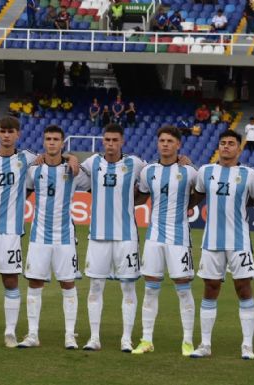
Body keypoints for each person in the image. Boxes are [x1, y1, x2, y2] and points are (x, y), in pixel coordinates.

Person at [0, 117, 69, 347]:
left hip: (11, 232)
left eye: (11, 131)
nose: (6, 135)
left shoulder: (28, 158)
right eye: (2, 131)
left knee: (10, 280)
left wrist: (70, 158)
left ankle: (10, 332)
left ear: (18, 135)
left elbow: (54, 157)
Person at [188, 130, 254, 359]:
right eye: (222, 143)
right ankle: (205, 344)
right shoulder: (206, 171)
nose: (226, 147)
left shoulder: (249, 174)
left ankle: (247, 345)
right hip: (211, 241)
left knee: (243, 289)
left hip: (240, 242)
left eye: (231, 143)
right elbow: (197, 196)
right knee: (210, 289)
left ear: (238, 148)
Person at [17, 125, 88, 349]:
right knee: (35, 283)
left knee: (68, 284)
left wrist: (72, 157)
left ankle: (69, 335)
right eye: (48, 139)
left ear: (62, 142)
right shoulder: (33, 170)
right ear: (44, 141)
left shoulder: (73, 171)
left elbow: (95, 180)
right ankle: (32, 334)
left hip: (65, 237)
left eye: (56, 139)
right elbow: (23, 192)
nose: (52, 142)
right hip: (39, 236)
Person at [80, 123, 147, 352]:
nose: (110, 144)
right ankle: (94, 338)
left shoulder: (135, 163)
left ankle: (126, 338)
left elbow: (154, 176)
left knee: (128, 287)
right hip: (98, 236)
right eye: (107, 140)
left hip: (126, 236)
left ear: (122, 141)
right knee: (95, 286)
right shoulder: (92, 162)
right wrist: (69, 157)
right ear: (102, 141)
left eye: (114, 140)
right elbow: (72, 169)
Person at [132, 126, 197, 356]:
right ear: (157, 144)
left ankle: (187, 341)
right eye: (162, 140)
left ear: (178, 144)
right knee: (150, 289)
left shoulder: (190, 172)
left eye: (170, 141)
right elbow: (140, 195)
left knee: (183, 289)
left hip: (179, 238)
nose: (165, 144)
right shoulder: (148, 171)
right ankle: (146, 339)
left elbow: (200, 193)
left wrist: (188, 206)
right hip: (154, 237)